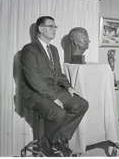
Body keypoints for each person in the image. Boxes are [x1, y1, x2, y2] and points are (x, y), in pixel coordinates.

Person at [20, 16, 89, 157]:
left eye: (55, 27)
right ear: (40, 29)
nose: (54, 29)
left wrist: (69, 87)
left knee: (81, 104)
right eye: (51, 26)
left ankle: (57, 139)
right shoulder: (29, 49)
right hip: (35, 93)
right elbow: (34, 80)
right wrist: (53, 97)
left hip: (54, 89)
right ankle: (49, 142)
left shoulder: (54, 49)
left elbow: (59, 75)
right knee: (58, 113)